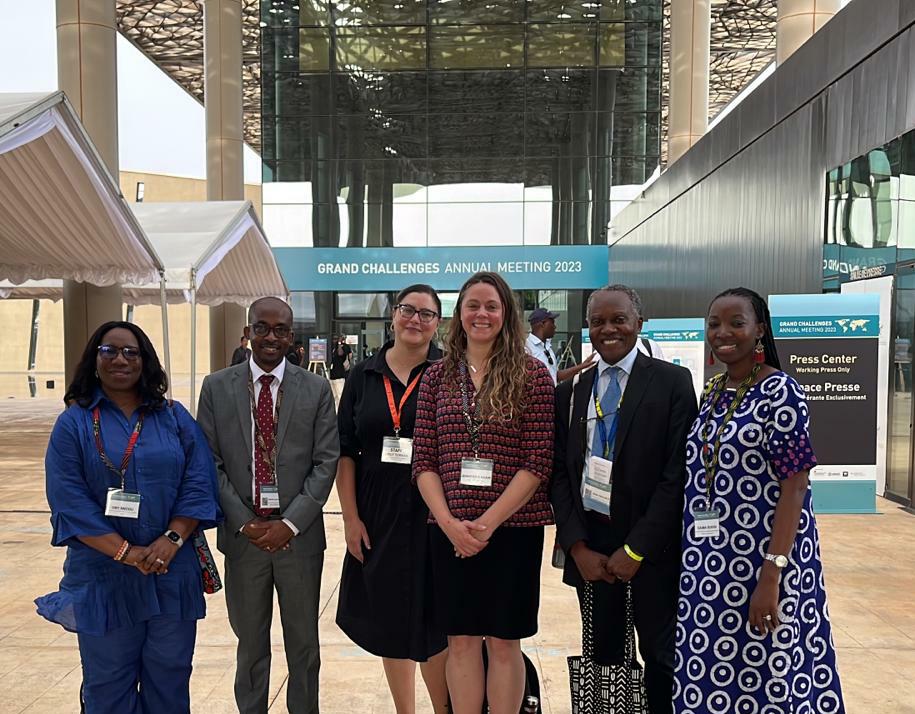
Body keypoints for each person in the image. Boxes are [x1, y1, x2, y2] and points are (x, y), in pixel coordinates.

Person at [673, 287, 845, 713]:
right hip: (709, 565)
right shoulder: (714, 391)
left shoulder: (781, 392)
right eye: (714, 324)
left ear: (760, 331)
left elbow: (795, 486)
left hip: (763, 561)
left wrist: (772, 575)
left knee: (767, 670)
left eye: (736, 323)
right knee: (710, 668)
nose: (722, 333)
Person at [35, 321, 221, 714]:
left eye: (130, 352)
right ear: (95, 359)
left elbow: (199, 482)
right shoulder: (74, 422)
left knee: (170, 683)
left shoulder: (174, 417)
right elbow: (69, 500)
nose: (120, 359)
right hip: (104, 578)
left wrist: (171, 539)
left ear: (144, 361)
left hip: (170, 571)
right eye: (109, 351)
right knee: (108, 689)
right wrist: (127, 553)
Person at [412, 271, 555, 714]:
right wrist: (451, 525)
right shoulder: (436, 378)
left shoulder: (533, 375)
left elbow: (538, 461)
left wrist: (486, 525)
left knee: (504, 642)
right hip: (450, 533)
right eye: (472, 305)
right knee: (460, 641)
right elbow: (423, 461)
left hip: (514, 531)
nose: (482, 314)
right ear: (459, 314)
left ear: (506, 314)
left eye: (492, 306)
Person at [550, 284, 696, 714]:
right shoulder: (571, 391)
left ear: (639, 323)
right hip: (593, 553)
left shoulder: (672, 383)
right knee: (604, 664)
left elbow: (677, 475)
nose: (608, 329)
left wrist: (637, 549)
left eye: (619, 320)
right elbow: (559, 474)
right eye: (598, 322)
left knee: (662, 659)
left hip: (653, 552)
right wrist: (577, 547)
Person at [196, 297, 339, 714]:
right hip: (245, 541)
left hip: (299, 540)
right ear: (248, 332)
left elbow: (326, 461)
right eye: (262, 328)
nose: (270, 337)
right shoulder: (216, 387)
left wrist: (289, 523)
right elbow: (209, 462)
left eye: (280, 330)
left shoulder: (315, 389)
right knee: (250, 644)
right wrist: (244, 522)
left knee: (304, 646)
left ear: (292, 337)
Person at [336, 284, 448, 714]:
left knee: (436, 622)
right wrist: (351, 519)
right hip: (377, 513)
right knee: (389, 618)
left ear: (437, 323)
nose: (415, 319)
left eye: (426, 313)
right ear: (394, 315)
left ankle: (443, 709)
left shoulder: (449, 373)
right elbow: (346, 451)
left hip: (434, 513)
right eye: (408, 310)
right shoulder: (363, 375)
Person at [526, 307, 596, 385]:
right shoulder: (526, 349)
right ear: (542, 324)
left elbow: (556, 376)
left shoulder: (547, 347)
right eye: (552, 322)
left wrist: (582, 366)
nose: (555, 326)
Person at [330, 335, 353, 403]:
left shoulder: (344, 346)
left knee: (340, 395)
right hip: (332, 374)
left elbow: (341, 353)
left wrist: (340, 343)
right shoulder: (333, 347)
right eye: (333, 339)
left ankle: (341, 408)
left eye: (336, 339)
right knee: (334, 396)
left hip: (340, 375)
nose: (334, 340)